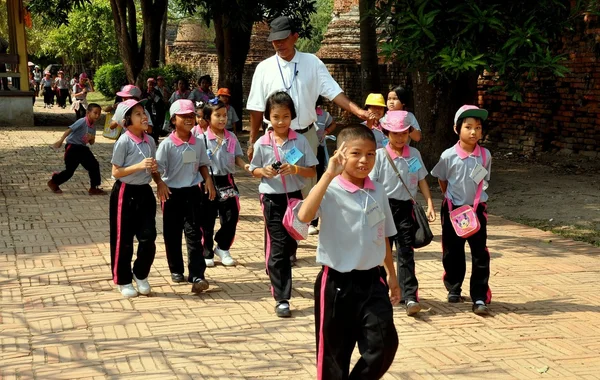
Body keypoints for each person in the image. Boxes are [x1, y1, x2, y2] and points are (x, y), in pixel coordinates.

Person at [296, 124, 400, 380]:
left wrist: (392, 275)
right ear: (340, 154)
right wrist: (328, 175)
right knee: (334, 357)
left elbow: (383, 235)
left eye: (371, 154)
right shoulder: (329, 189)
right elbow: (304, 216)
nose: (364, 160)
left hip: (372, 282)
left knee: (384, 344)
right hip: (336, 284)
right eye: (356, 153)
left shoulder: (378, 191)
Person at [247, 16, 375, 199]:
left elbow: (333, 92)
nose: (279, 44)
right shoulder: (264, 68)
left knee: (307, 186)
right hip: (275, 137)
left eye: (283, 39)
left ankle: (304, 225)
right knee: (276, 186)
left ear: (295, 37)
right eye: (275, 40)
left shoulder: (312, 62)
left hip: (305, 136)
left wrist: (359, 111)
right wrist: (252, 140)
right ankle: (276, 226)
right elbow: (256, 107)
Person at [249, 91, 318, 318]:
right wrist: (264, 171)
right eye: (276, 116)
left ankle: (275, 267)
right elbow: (254, 170)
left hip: (295, 198)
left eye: (285, 116)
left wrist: (295, 169)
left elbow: (312, 171)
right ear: (269, 116)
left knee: (289, 246)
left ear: (292, 116)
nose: (280, 121)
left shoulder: (300, 141)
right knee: (279, 245)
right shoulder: (262, 143)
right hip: (271, 198)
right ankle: (282, 298)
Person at [369, 110, 436, 316]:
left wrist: (430, 203)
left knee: (406, 252)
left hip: (406, 208)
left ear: (409, 133)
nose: (400, 138)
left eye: (404, 133)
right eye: (395, 133)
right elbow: (371, 184)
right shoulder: (380, 155)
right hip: (383, 208)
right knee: (381, 251)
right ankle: (381, 292)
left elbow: (422, 178)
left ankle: (409, 296)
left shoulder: (413, 155)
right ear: (386, 133)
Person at [431, 105, 492, 315]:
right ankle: (454, 288)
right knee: (452, 251)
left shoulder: (485, 156)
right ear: (457, 129)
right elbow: (442, 179)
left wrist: (474, 204)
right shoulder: (448, 156)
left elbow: (482, 180)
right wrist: (451, 201)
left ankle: (479, 296)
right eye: (468, 127)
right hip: (453, 210)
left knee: (479, 253)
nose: (473, 132)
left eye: (478, 127)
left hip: (477, 210)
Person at [156, 99, 216, 293]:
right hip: (172, 194)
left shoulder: (198, 142)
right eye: (184, 116)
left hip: (192, 192)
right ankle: (176, 269)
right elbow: (155, 168)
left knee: (194, 233)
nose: (189, 119)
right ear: (173, 120)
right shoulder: (166, 145)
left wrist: (207, 179)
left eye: (192, 116)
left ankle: (197, 274)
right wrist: (160, 183)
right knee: (172, 234)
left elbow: (202, 164)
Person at [109, 99, 162, 298]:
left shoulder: (150, 140)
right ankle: (123, 279)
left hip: (144, 192)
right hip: (125, 192)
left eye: (144, 112)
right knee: (123, 239)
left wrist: (159, 181)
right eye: (138, 114)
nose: (144, 116)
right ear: (127, 121)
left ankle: (140, 274)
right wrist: (139, 166)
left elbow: (153, 166)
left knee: (148, 237)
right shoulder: (124, 141)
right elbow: (116, 171)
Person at [195, 99, 247, 267]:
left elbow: (237, 157)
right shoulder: (200, 138)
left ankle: (223, 247)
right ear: (208, 118)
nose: (223, 119)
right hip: (207, 180)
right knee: (207, 218)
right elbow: (195, 161)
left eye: (225, 115)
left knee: (232, 215)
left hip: (227, 180)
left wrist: (246, 165)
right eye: (218, 115)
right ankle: (207, 250)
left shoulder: (231, 137)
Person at [48, 103, 106, 195]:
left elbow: (91, 143)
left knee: (94, 165)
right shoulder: (82, 121)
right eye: (95, 113)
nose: (97, 115)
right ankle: (54, 181)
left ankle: (94, 188)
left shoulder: (93, 126)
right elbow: (69, 130)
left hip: (82, 148)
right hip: (73, 147)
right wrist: (61, 141)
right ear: (88, 113)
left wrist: (92, 138)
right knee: (69, 171)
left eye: (99, 113)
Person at [308, 96, 336, 235]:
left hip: (318, 151)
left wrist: (326, 132)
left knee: (318, 183)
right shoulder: (301, 112)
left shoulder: (324, 115)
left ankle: (313, 222)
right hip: (303, 152)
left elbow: (333, 124)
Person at [143, 78, 166, 143]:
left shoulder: (157, 91)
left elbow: (160, 101)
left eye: (152, 84)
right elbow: (143, 100)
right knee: (149, 124)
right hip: (148, 111)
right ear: (147, 84)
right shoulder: (145, 92)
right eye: (149, 84)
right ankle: (149, 138)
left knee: (156, 125)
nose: (151, 85)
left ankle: (155, 138)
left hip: (157, 111)